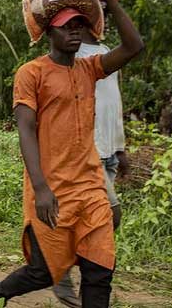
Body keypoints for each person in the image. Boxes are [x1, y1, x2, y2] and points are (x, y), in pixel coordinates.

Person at [0, 0, 144, 307]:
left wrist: (109, 1)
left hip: (90, 188)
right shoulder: (32, 73)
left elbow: (133, 47)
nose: (74, 31)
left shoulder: (90, 68)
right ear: (49, 31)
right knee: (44, 272)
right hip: (52, 190)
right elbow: (25, 129)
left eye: (79, 25)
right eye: (66, 25)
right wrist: (40, 188)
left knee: (99, 271)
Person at [52, 23, 131, 306]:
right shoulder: (75, 57)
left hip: (108, 150)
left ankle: (62, 268)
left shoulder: (106, 52)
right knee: (112, 215)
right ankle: (65, 271)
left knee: (91, 222)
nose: (104, 21)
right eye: (99, 14)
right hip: (87, 152)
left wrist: (120, 148)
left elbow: (114, 103)